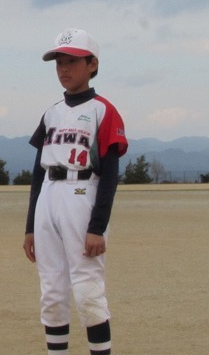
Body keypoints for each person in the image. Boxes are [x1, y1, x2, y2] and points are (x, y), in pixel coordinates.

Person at [23, 28, 128, 355]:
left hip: (83, 193)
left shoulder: (102, 110)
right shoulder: (51, 113)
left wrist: (97, 227)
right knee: (52, 291)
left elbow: (110, 174)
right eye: (59, 63)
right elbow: (38, 173)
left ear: (92, 64)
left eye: (72, 61)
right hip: (49, 197)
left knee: (86, 289)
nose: (64, 69)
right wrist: (29, 226)